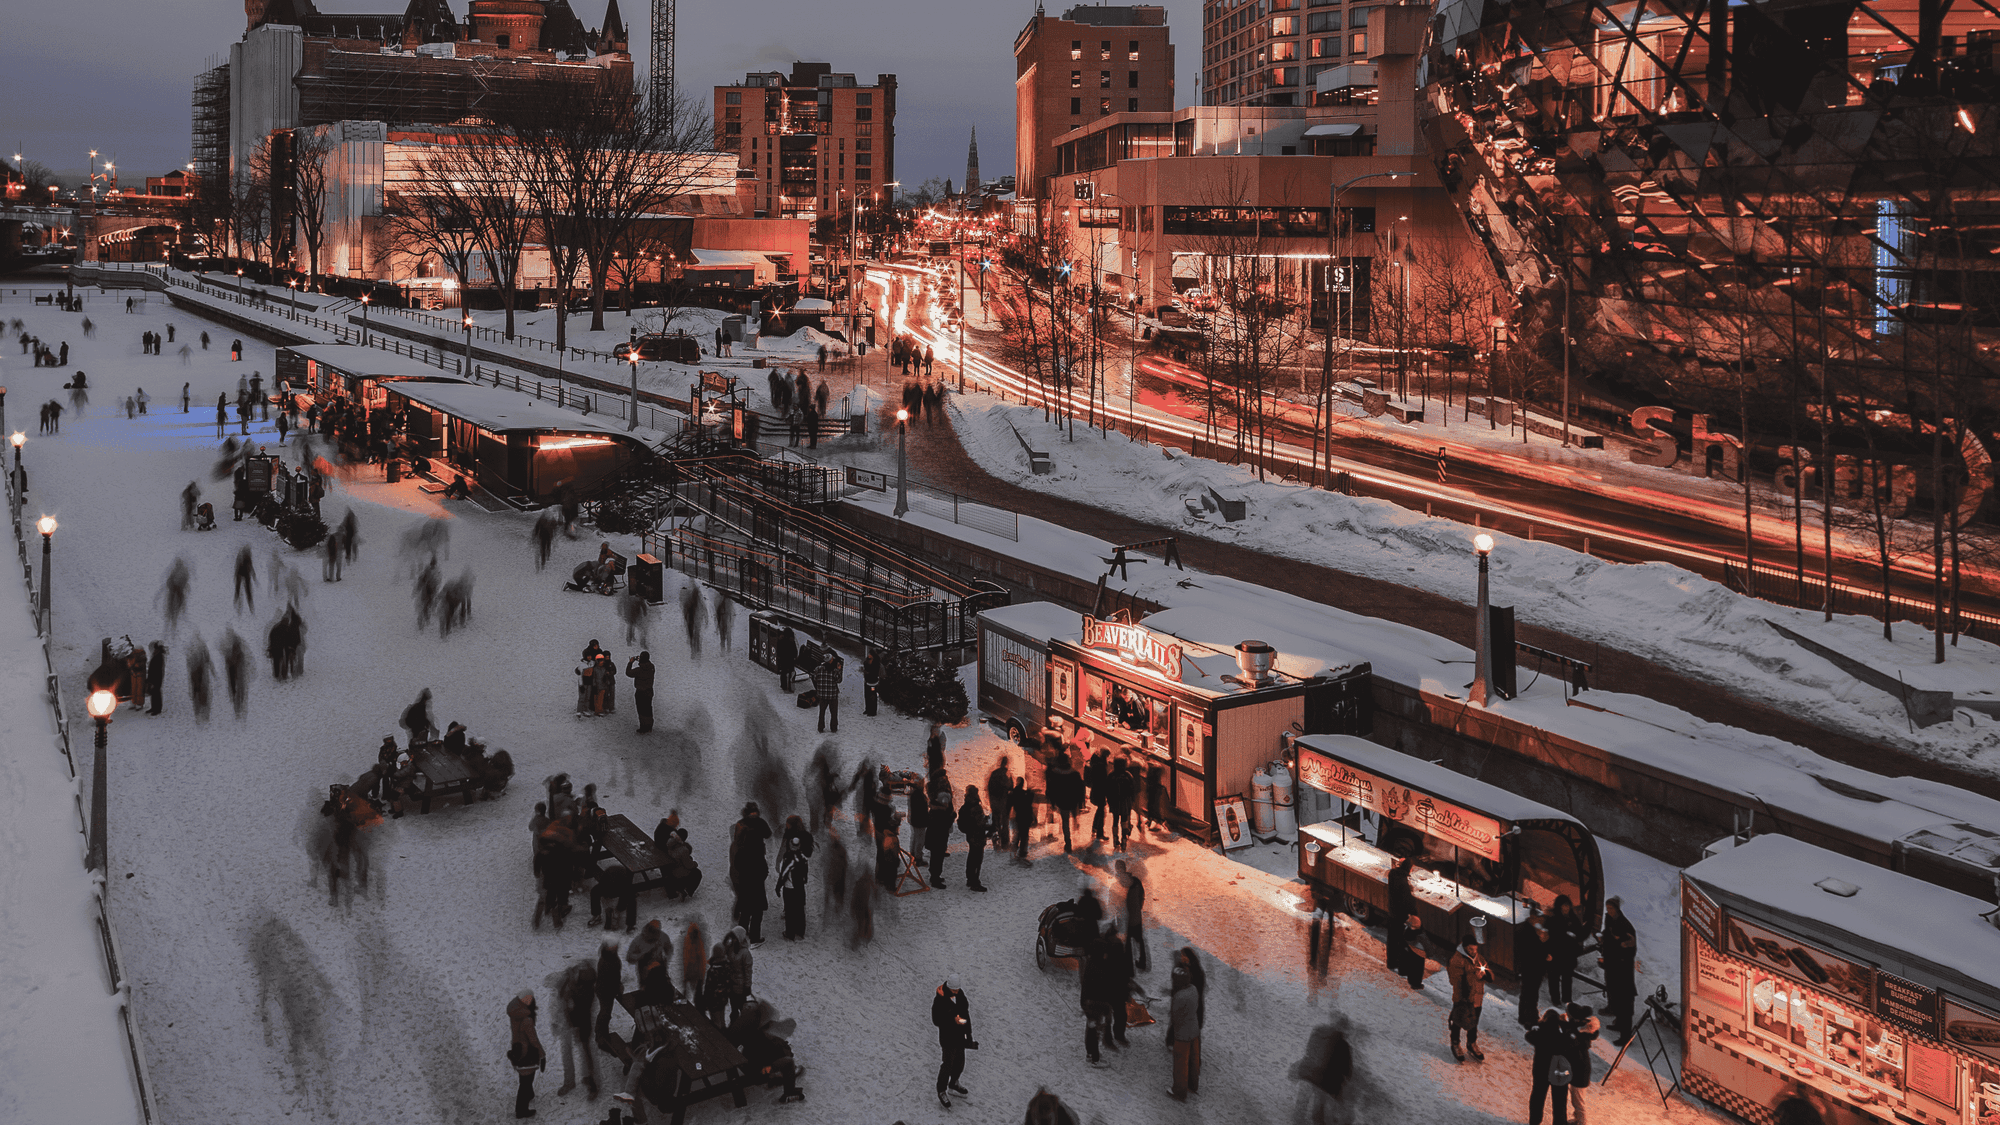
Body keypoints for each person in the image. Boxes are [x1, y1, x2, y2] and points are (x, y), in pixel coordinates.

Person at [553, 960, 598, 1098]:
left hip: (580, 1021)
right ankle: (570, 1081)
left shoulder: (587, 987)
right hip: (566, 1021)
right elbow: (556, 1000)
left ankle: (588, 1080)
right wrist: (555, 1020)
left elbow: (588, 1006)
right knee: (569, 1051)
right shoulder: (566, 983)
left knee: (584, 1052)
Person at [730, 803, 772, 944]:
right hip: (757, 880)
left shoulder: (741, 827)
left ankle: (741, 935)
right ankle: (754, 937)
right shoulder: (758, 856)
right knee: (757, 910)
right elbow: (768, 833)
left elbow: (736, 864)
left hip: (745, 879)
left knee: (745, 908)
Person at [1447, 931, 1492, 1062]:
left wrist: (1485, 975)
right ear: (1465, 947)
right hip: (1462, 998)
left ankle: (1471, 1044)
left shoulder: (1479, 958)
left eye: (1475, 949)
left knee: (1474, 1022)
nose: (1474, 951)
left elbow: (1488, 972)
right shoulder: (1457, 960)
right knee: (1457, 1021)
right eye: (1471, 949)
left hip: (1477, 998)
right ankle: (1455, 1043)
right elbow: (1455, 981)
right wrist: (1475, 976)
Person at [1598, 897, 1638, 1043]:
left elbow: (1631, 948)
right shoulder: (1609, 920)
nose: (1609, 911)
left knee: (1624, 1001)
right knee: (1616, 996)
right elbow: (1609, 938)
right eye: (1607, 908)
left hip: (1622, 970)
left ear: (1617, 909)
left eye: (1611, 908)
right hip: (1612, 965)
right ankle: (1620, 1024)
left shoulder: (1625, 926)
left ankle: (1626, 1036)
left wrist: (1624, 948)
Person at [1526, 1008, 1574, 1125]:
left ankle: (1535, 1121)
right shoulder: (1563, 1038)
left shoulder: (1538, 1035)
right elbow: (1572, 1038)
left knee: (1537, 1096)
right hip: (1558, 1071)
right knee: (1560, 1100)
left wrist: (1538, 1025)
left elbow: (1528, 1035)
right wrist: (1563, 1023)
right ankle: (1559, 1122)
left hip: (1540, 1070)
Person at [1166, 952, 1203, 1100]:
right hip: (1194, 1030)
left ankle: (1179, 1091)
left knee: (1181, 1063)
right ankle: (1193, 1085)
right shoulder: (1193, 989)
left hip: (1182, 1033)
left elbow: (1175, 1017)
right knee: (1194, 1060)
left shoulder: (1179, 996)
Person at [932, 981, 973, 1108]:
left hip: (959, 1036)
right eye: (954, 990)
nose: (957, 991)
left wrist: (968, 1034)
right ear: (949, 988)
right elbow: (936, 1020)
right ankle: (941, 1090)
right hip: (948, 1038)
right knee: (947, 1064)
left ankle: (954, 1083)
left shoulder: (960, 995)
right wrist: (953, 1019)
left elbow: (966, 1015)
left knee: (960, 1062)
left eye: (958, 989)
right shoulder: (940, 1000)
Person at [507, 989, 546, 1119]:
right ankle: (521, 1110)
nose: (530, 1000)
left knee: (524, 1079)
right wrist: (542, 1054)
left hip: (518, 1050)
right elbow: (533, 1040)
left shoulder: (515, 1012)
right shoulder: (526, 1019)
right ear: (522, 999)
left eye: (531, 998)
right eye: (528, 998)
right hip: (527, 1054)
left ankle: (529, 1094)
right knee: (525, 1082)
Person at [776, 814, 815, 940]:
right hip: (800, 880)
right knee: (800, 906)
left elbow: (784, 872)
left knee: (790, 908)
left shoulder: (789, 856)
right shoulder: (806, 838)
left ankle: (790, 933)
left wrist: (778, 886)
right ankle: (801, 931)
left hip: (790, 884)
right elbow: (809, 853)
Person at [1565, 1004, 1600, 1125]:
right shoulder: (1582, 1031)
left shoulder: (1578, 1036)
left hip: (1580, 1072)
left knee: (1579, 1102)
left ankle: (1581, 1122)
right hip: (1580, 1070)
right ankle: (1578, 1120)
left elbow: (1570, 1047)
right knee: (1577, 1100)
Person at [1546, 896, 1583, 1007]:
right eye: (1564, 905)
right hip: (1556, 953)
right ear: (1559, 906)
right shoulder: (1552, 919)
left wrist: (1576, 944)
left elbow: (1579, 934)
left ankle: (1567, 999)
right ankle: (1555, 999)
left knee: (1567, 978)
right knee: (1554, 978)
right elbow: (1549, 937)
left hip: (1568, 954)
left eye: (1568, 905)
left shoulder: (1573, 919)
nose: (1566, 908)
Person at [1047, 752, 1085, 853]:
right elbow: (1081, 789)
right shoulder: (1075, 773)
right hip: (1073, 800)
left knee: (1065, 821)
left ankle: (1068, 843)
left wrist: (1052, 803)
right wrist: (1081, 803)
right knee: (1074, 816)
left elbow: (1051, 790)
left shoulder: (1054, 773)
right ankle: (1077, 829)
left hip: (1062, 801)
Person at [1517, 916, 1550, 1028]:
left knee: (1528, 993)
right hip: (1531, 969)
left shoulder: (1531, 930)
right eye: (1539, 919)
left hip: (1533, 969)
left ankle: (1524, 1017)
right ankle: (1530, 1019)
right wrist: (1543, 944)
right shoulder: (1527, 932)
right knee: (1530, 995)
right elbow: (1532, 954)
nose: (1541, 921)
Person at [1116, 858, 1148, 971]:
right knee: (1139, 940)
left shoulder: (1121, 884)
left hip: (1127, 919)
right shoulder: (1136, 881)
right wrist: (1138, 908)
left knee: (1128, 942)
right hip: (1136, 917)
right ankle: (1143, 963)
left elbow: (1119, 902)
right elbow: (1142, 896)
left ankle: (1129, 967)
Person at [956, 786, 988, 892]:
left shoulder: (966, 805)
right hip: (978, 835)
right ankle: (975, 882)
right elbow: (980, 823)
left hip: (971, 835)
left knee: (971, 858)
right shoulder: (975, 807)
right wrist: (988, 822)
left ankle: (970, 879)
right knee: (977, 859)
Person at [593, 937, 623, 1042]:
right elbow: (610, 978)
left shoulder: (610, 958)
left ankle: (601, 1033)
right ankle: (601, 1034)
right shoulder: (607, 961)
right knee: (605, 1013)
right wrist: (617, 987)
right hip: (605, 991)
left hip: (607, 990)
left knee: (606, 1012)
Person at [924, 786, 955, 889]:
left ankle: (935, 876)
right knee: (937, 859)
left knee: (936, 858)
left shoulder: (934, 810)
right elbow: (944, 826)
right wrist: (952, 817)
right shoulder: (940, 813)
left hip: (935, 839)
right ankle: (935, 878)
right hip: (938, 839)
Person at [1106, 758, 1137, 850]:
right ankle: (1124, 840)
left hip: (1114, 802)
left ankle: (1115, 840)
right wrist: (1132, 801)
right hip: (1125, 802)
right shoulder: (1128, 775)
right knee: (1124, 821)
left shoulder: (1111, 775)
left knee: (1115, 820)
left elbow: (1107, 789)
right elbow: (1133, 790)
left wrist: (1109, 800)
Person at [1395, 913, 1428, 990]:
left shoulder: (1407, 932)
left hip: (1410, 951)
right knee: (1418, 969)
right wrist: (1429, 953)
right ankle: (1416, 984)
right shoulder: (1420, 934)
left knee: (1411, 965)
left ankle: (1410, 979)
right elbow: (1427, 945)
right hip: (1420, 953)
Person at [1084, 748, 1110, 844]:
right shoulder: (1101, 766)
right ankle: (1099, 833)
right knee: (1102, 812)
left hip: (1095, 790)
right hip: (1100, 791)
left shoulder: (1095, 762)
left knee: (1100, 811)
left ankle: (1095, 829)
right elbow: (1104, 781)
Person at [812, 649, 841, 734]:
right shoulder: (834, 671)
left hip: (822, 695)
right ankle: (833, 727)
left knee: (822, 712)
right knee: (834, 712)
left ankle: (820, 727)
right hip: (832, 695)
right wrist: (839, 669)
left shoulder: (818, 669)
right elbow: (838, 680)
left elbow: (815, 679)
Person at [626, 651, 655, 733]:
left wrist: (630, 662)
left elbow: (628, 673)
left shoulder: (638, 670)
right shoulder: (652, 667)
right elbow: (647, 664)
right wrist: (641, 660)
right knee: (648, 709)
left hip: (641, 692)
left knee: (641, 710)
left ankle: (643, 727)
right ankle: (649, 726)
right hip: (649, 691)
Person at [861, 648, 881, 716]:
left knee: (872, 696)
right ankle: (868, 709)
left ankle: (872, 711)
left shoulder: (876, 662)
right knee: (867, 695)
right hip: (867, 681)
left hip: (873, 682)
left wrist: (867, 672)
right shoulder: (868, 660)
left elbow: (874, 672)